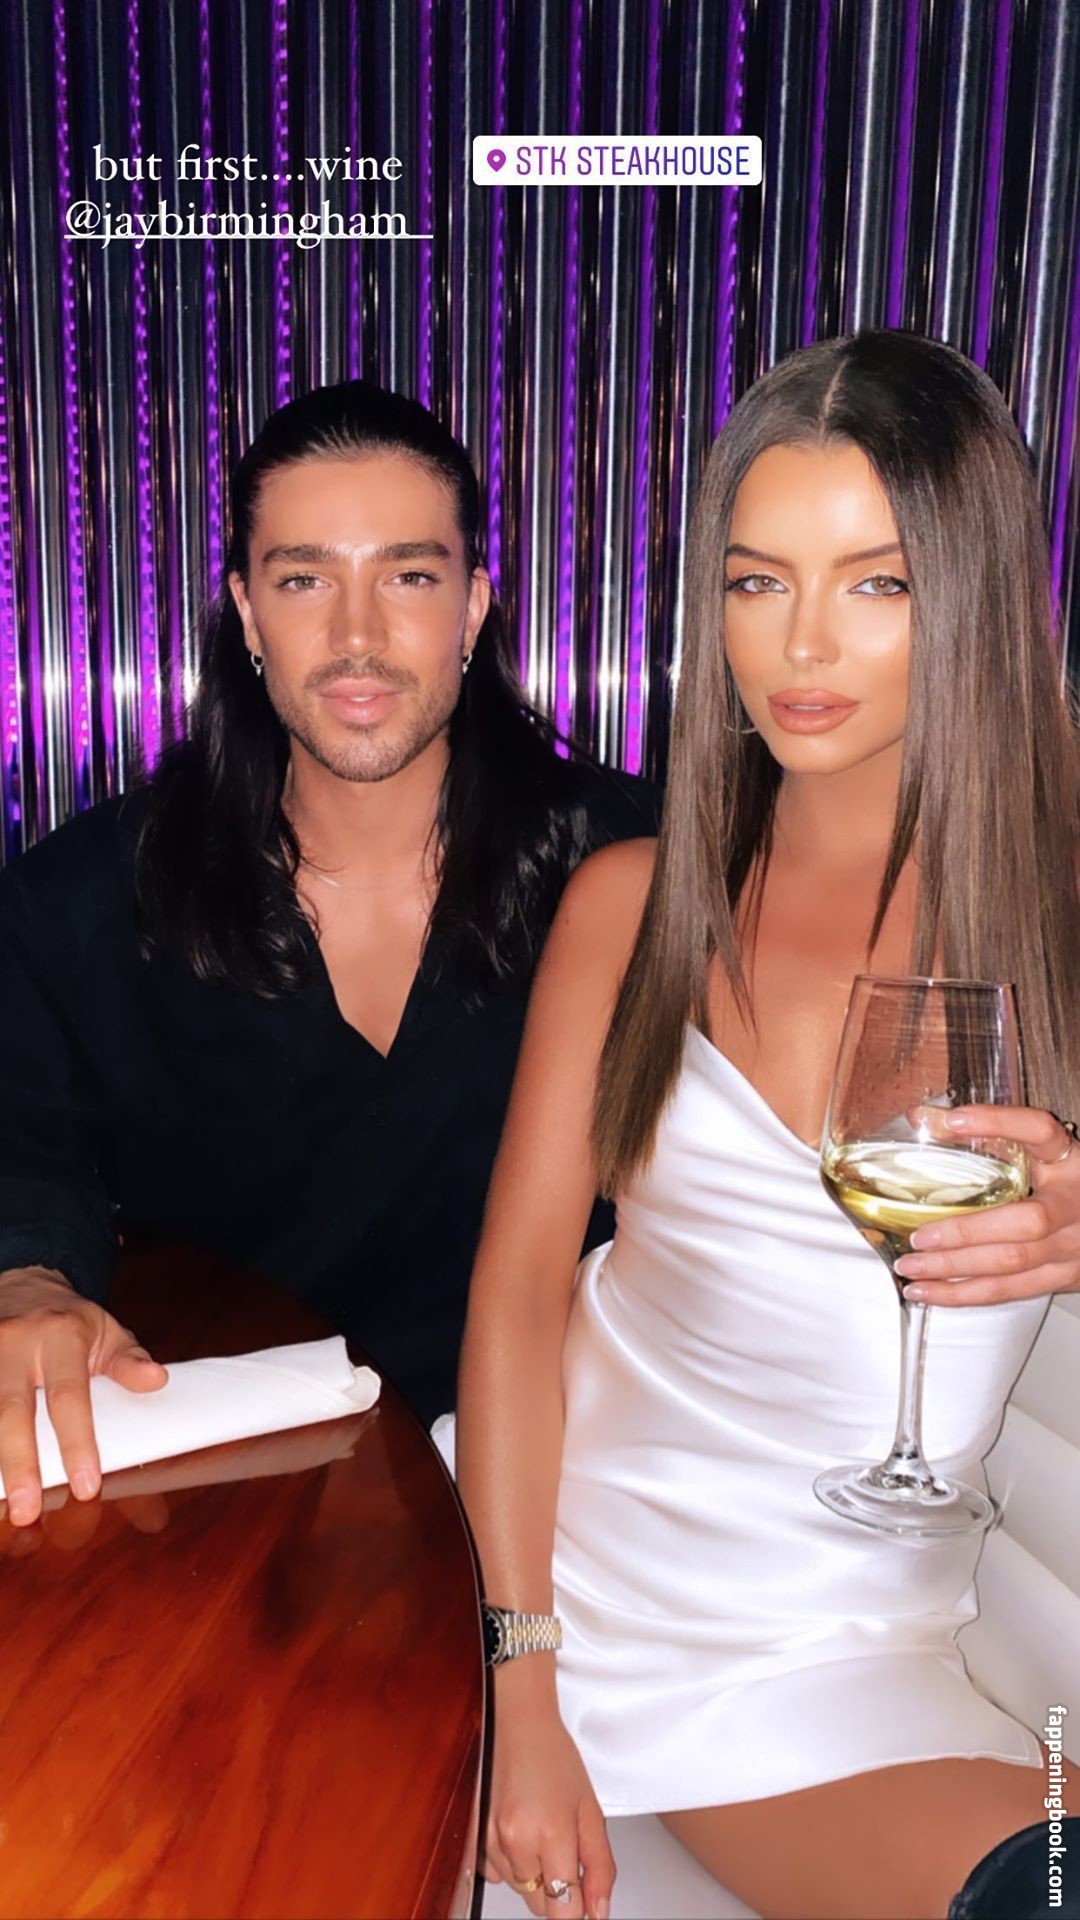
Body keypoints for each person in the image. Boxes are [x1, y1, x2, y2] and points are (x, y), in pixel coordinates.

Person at [451, 331, 1080, 1920]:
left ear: (973, 596)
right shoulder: (632, 905)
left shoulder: (1061, 918)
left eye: (877, 583)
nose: (800, 642)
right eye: (755, 580)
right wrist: (520, 1680)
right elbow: (518, 1295)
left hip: (852, 1635)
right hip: (569, 1586)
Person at [0, 378, 657, 1527]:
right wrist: (25, 1278)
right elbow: (22, 1139)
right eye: (305, 579)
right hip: (232, 1506)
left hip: (589, 1489)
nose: (358, 636)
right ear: (248, 614)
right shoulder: (88, 899)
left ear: (473, 607)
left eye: (409, 576)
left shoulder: (639, 872)